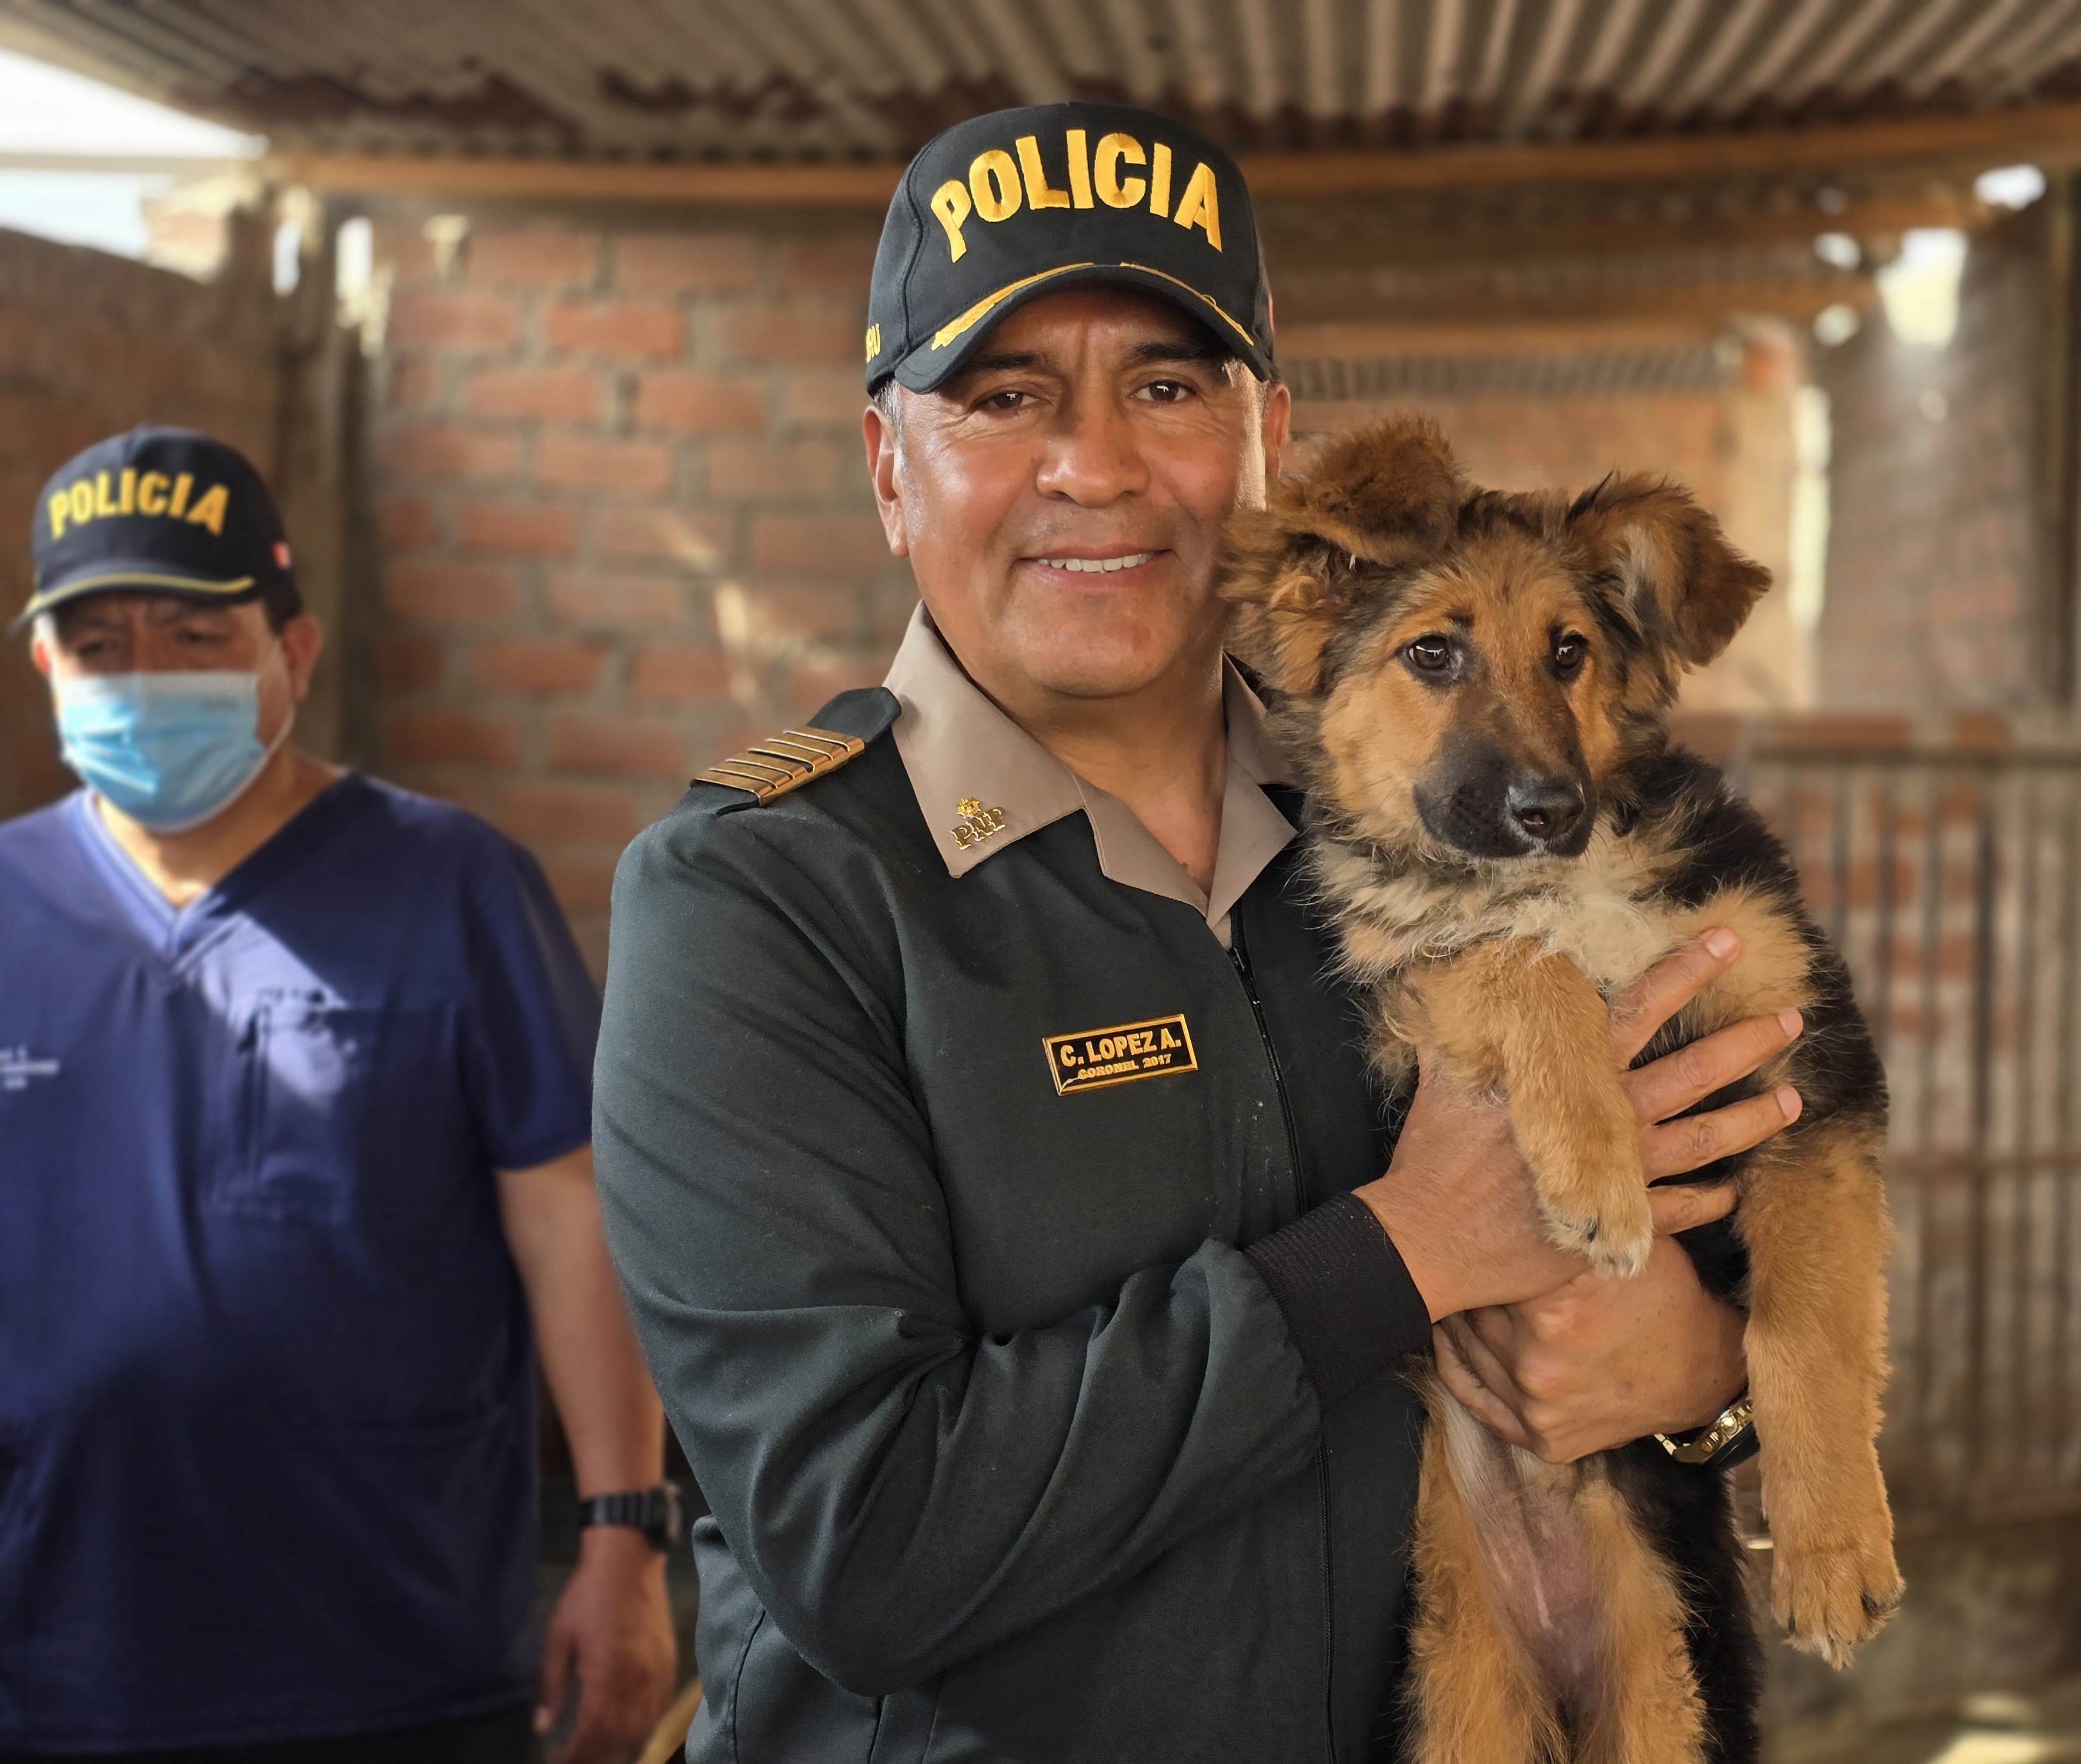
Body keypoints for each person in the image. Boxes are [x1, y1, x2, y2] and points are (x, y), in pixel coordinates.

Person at [594, 103, 1804, 1763]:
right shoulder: (763, 897)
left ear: (1264, 445)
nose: (1095, 466)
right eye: (1003, 397)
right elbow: (861, 1540)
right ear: (890, 467)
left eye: (1167, 388)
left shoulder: (1418, 845)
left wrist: (1703, 1379)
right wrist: (1401, 1251)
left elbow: (1663, 1305)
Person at [0, 428, 677, 1764]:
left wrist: (624, 1535)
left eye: (196, 640)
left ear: (292, 656)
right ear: (44, 669)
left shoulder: (455, 887)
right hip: (60, 1652)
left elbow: (573, 1221)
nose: (142, 679)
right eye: (100, 644)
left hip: (391, 1655)